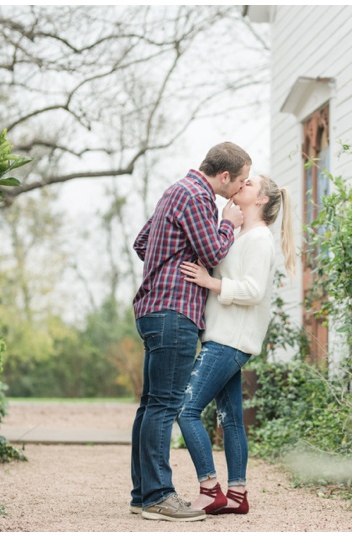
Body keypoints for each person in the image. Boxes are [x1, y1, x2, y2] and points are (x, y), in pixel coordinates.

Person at [130, 142, 251, 522]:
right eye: (241, 181)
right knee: (165, 406)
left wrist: (173, 260)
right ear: (226, 175)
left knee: (151, 405)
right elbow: (214, 252)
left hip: (153, 310)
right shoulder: (198, 196)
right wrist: (228, 224)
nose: (240, 190)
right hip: (175, 312)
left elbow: (141, 243)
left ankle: (142, 494)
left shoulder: (174, 191)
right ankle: (158, 497)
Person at [176, 174, 296, 515]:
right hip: (222, 336)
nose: (241, 185)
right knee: (230, 419)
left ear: (261, 200)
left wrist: (209, 281)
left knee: (186, 410)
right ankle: (237, 496)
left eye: (249, 184)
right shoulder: (242, 234)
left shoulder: (259, 238)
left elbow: (253, 291)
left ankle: (209, 489)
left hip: (230, 341)